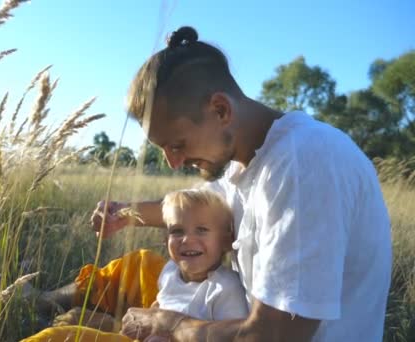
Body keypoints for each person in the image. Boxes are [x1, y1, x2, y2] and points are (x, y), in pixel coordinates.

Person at [89, 26, 392, 341]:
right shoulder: (245, 165)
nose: (174, 163)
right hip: (235, 317)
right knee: (139, 266)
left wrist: (170, 324)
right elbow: (191, 209)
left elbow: (274, 335)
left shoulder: (304, 163)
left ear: (221, 110)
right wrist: (125, 213)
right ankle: (44, 299)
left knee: (67, 337)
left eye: (177, 144)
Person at [22, 189, 249, 341]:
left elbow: (234, 336)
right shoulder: (171, 272)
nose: (187, 240)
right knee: (76, 317)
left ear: (227, 241)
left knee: (58, 337)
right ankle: (42, 304)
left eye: (202, 230)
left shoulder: (224, 289)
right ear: (165, 239)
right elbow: (160, 304)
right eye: (176, 231)